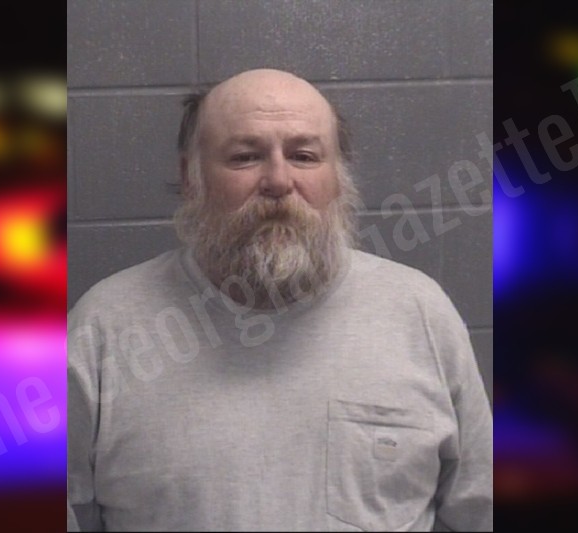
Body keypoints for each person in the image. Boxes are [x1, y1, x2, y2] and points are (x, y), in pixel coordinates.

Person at [67, 68, 492, 531]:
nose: (278, 180)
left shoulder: (420, 314)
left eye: (304, 156)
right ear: (190, 177)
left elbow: (481, 508)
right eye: (245, 157)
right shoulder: (104, 328)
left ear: (339, 178)